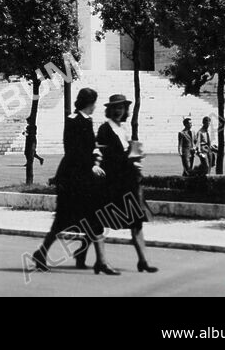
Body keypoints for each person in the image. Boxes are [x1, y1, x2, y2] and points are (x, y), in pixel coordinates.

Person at [31, 88, 112, 274]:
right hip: (72, 179)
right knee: (62, 221)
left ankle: (87, 256)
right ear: (89, 103)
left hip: (84, 179)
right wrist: (90, 165)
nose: (95, 106)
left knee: (92, 218)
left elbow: (88, 146)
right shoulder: (73, 120)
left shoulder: (87, 120)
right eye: (94, 102)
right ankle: (42, 254)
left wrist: (97, 154)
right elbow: (72, 150)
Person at [96, 93, 157, 273]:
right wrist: (129, 156)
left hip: (128, 183)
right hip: (112, 183)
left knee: (137, 222)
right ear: (109, 110)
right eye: (115, 108)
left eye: (121, 108)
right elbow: (107, 156)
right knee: (100, 221)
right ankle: (101, 260)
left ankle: (143, 261)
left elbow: (125, 152)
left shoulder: (122, 130)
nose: (118, 111)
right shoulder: (105, 129)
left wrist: (135, 154)